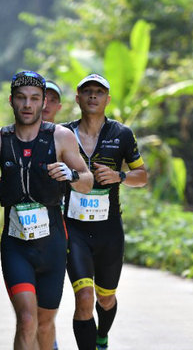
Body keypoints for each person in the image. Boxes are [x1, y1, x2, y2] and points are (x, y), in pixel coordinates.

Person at [0, 71, 93, 350]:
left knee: (44, 325)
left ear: (43, 103)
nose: (27, 105)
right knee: (26, 320)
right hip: (16, 246)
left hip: (53, 243)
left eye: (34, 99)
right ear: (11, 101)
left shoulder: (61, 138)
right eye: (21, 98)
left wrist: (71, 175)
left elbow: (87, 181)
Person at [62, 73, 148, 350]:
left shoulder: (121, 134)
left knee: (105, 298)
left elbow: (142, 175)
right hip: (73, 228)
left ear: (107, 100)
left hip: (109, 230)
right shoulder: (62, 133)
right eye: (87, 91)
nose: (93, 96)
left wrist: (119, 176)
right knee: (84, 297)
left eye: (99, 92)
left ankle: (102, 337)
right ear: (78, 98)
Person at [42, 79, 63, 350]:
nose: (44, 104)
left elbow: (85, 177)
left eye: (50, 99)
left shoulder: (65, 136)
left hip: (66, 229)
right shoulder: (12, 137)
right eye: (39, 97)